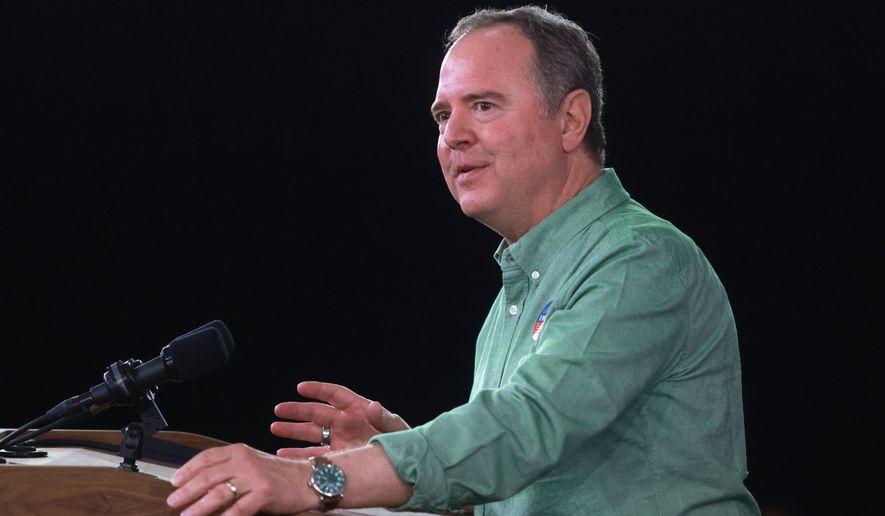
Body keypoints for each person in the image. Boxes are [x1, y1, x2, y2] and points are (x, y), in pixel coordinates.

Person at [167, 5, 760, 515]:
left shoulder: (636, 259)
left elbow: (525, 428)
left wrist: (314, 480)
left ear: (571, 120)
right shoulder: (516, 295)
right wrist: (405, 449)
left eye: (483, 105)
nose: (452, 137)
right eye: (443, 115)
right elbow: (516, 478)